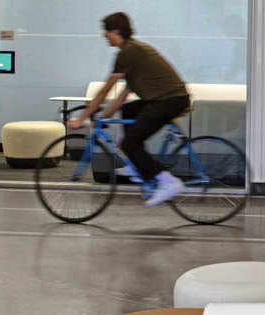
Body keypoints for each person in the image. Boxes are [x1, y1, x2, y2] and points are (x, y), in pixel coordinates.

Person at [67, 12, 191, 206]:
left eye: (106, 32)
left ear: (116, 31)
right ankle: (137, 165)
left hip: (170, 101)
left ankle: (168, 182)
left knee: (130, 144)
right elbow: (124, 93)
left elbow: (104, 90)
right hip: (165, 99)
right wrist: (105, 116)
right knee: (128, 110)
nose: (104, 36)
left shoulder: (128, 52)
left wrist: (81, 118)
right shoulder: (132, 50)